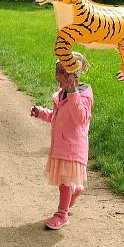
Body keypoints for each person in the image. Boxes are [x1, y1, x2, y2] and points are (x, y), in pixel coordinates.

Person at [30, 52, 93, 230]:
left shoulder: (83, 95)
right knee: (64, 182)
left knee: (64, 182)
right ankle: (75, 190)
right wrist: (41, 113)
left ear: (74, 76)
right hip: (60, 146)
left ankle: (62, 214)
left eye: (64, 73)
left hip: (73, 148)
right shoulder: (62, 94)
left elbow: (81, 118)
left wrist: (73, 92)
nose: (60, 77)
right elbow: (56, 117)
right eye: (58, 72)